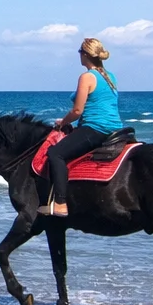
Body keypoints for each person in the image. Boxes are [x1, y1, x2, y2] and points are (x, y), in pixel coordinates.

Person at [40, 37, 123, 217]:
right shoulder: (110, 76)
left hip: (95, 128)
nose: (79, 55)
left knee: (56, 154)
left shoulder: (87, 77)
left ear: (85, 55)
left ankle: (61, 203)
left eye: (80, 52)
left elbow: (77, 110)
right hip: (115, 128)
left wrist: (63, 122)